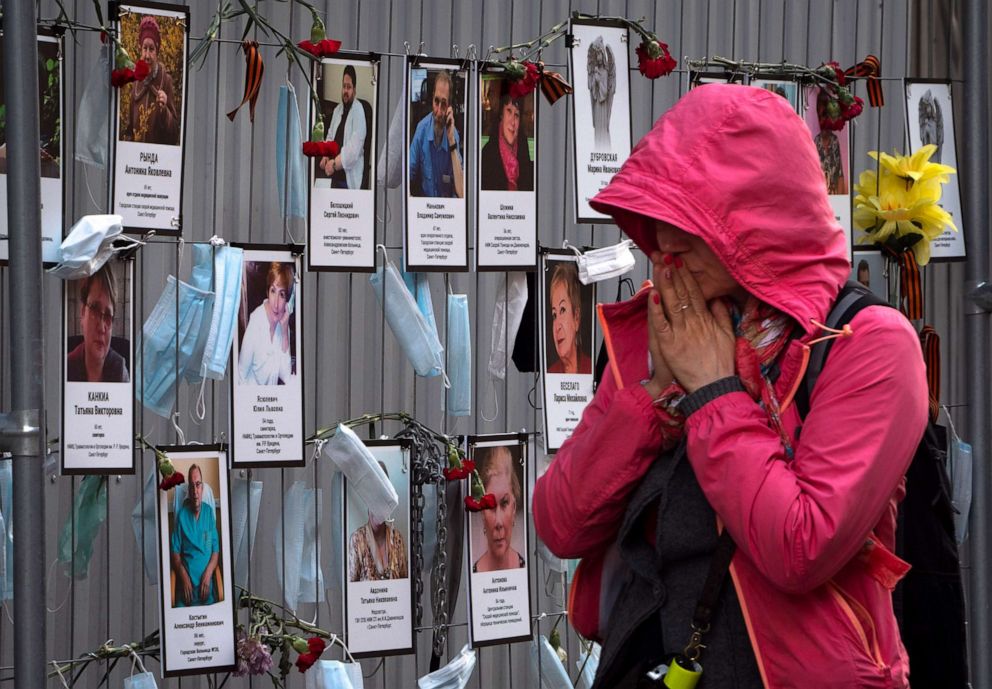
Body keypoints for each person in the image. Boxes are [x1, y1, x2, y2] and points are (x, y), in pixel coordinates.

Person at [532, 84, 927, 688]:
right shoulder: (666, 326)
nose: (664, 243)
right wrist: (651, 405)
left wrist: (714, 391)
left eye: (688, 221)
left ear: (757, 223)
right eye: (657, 218)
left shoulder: (867, 345)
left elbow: (801, 546)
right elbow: (561, 524)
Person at [122, 15, 180, 145]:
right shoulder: (136, 82)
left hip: (158, 162)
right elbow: (129, 130)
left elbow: (174, 135)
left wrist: (164, 110)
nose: (147, 55)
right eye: (144, 48)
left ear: (157, 50)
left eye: (151, 49)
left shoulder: (166, 81)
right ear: (140, 49)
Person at [66, 265, 129, 383]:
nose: (101, 327)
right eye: (95, 309)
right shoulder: (65, 369)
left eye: (108, 316)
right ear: (83, 313)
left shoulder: (120, 370)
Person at [347, 462, 408, 582]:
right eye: (373, 497)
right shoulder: (357, 540)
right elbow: (351, 589)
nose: (377, 505)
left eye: (382, 497)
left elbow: (405, 586)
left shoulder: (397, 539)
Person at [409, 70, 464, 198]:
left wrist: (451, 141)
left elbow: (461, 192)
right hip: (425, 210)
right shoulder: (421, 129)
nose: (439, 111)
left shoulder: (453, 134)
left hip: (447, 212)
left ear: (449, 106)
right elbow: (408, 175)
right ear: (432, 98)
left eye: (444, 104)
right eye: (436, 101)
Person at [170, 464, 220, 607]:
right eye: (191, 486)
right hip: (186, 593)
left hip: (207, 592)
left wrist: (209, 572)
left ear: (202, 488)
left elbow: (215, 550)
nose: (195, 491)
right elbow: (175, 553)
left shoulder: (209, 513)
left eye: (197, 485)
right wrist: (184, 577)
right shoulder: (182, 516)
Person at [238, 262, 294, 385]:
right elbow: (240, 375)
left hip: (272, 401)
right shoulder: (256, 321)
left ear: (287, 300)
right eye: (273, 291)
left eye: (282, 294)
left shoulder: (283, 325)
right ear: (267, 292)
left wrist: (285, 333)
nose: (276, 303)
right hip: (252, 399)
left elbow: (286, 376)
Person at [473, 446, 525, 573]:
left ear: (514, 508)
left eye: (504, 503)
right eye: (490, 506)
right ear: (482, 513)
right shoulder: (473, 572)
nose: (498, 523)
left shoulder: (525, 568)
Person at [320, 65, 367, 189]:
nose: (345, 91)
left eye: (349, 87)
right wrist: (325, 155)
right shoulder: (338, 109)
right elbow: (330, 135)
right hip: (333, 175)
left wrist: (334, 164)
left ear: (354, 89)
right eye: (344, 86)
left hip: (348, 179)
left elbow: (353, 151)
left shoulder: (359, 111)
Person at [480, 91, 533, 191]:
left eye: (516, 115)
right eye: (509, 111)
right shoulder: (487, 153)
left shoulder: (523, 149)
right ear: (501, 116)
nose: (512, 122)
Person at [546, 262, 592, 375]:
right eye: (554, 315)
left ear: (576, 318)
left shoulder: (591, 371)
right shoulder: (551, 374)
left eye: (562, 310)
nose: (557, 326)